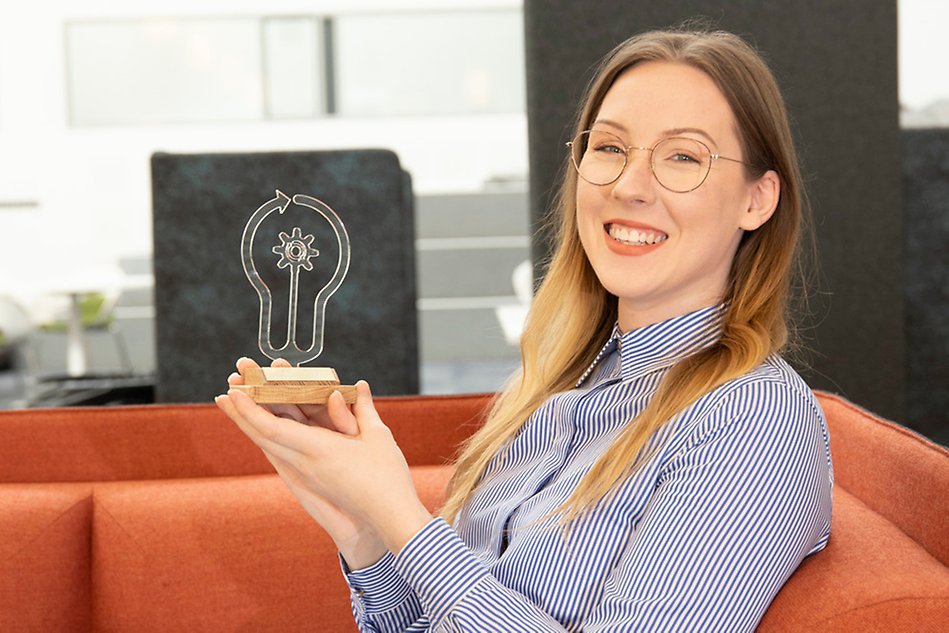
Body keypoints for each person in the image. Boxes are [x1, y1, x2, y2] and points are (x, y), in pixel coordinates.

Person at [215, 26, 833, 632]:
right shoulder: (554, 391)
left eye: (682, 157)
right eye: (610, 148)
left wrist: (403, 516)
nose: (628, 186)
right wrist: (363, 528)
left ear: (758, 199)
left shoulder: (755, 417)